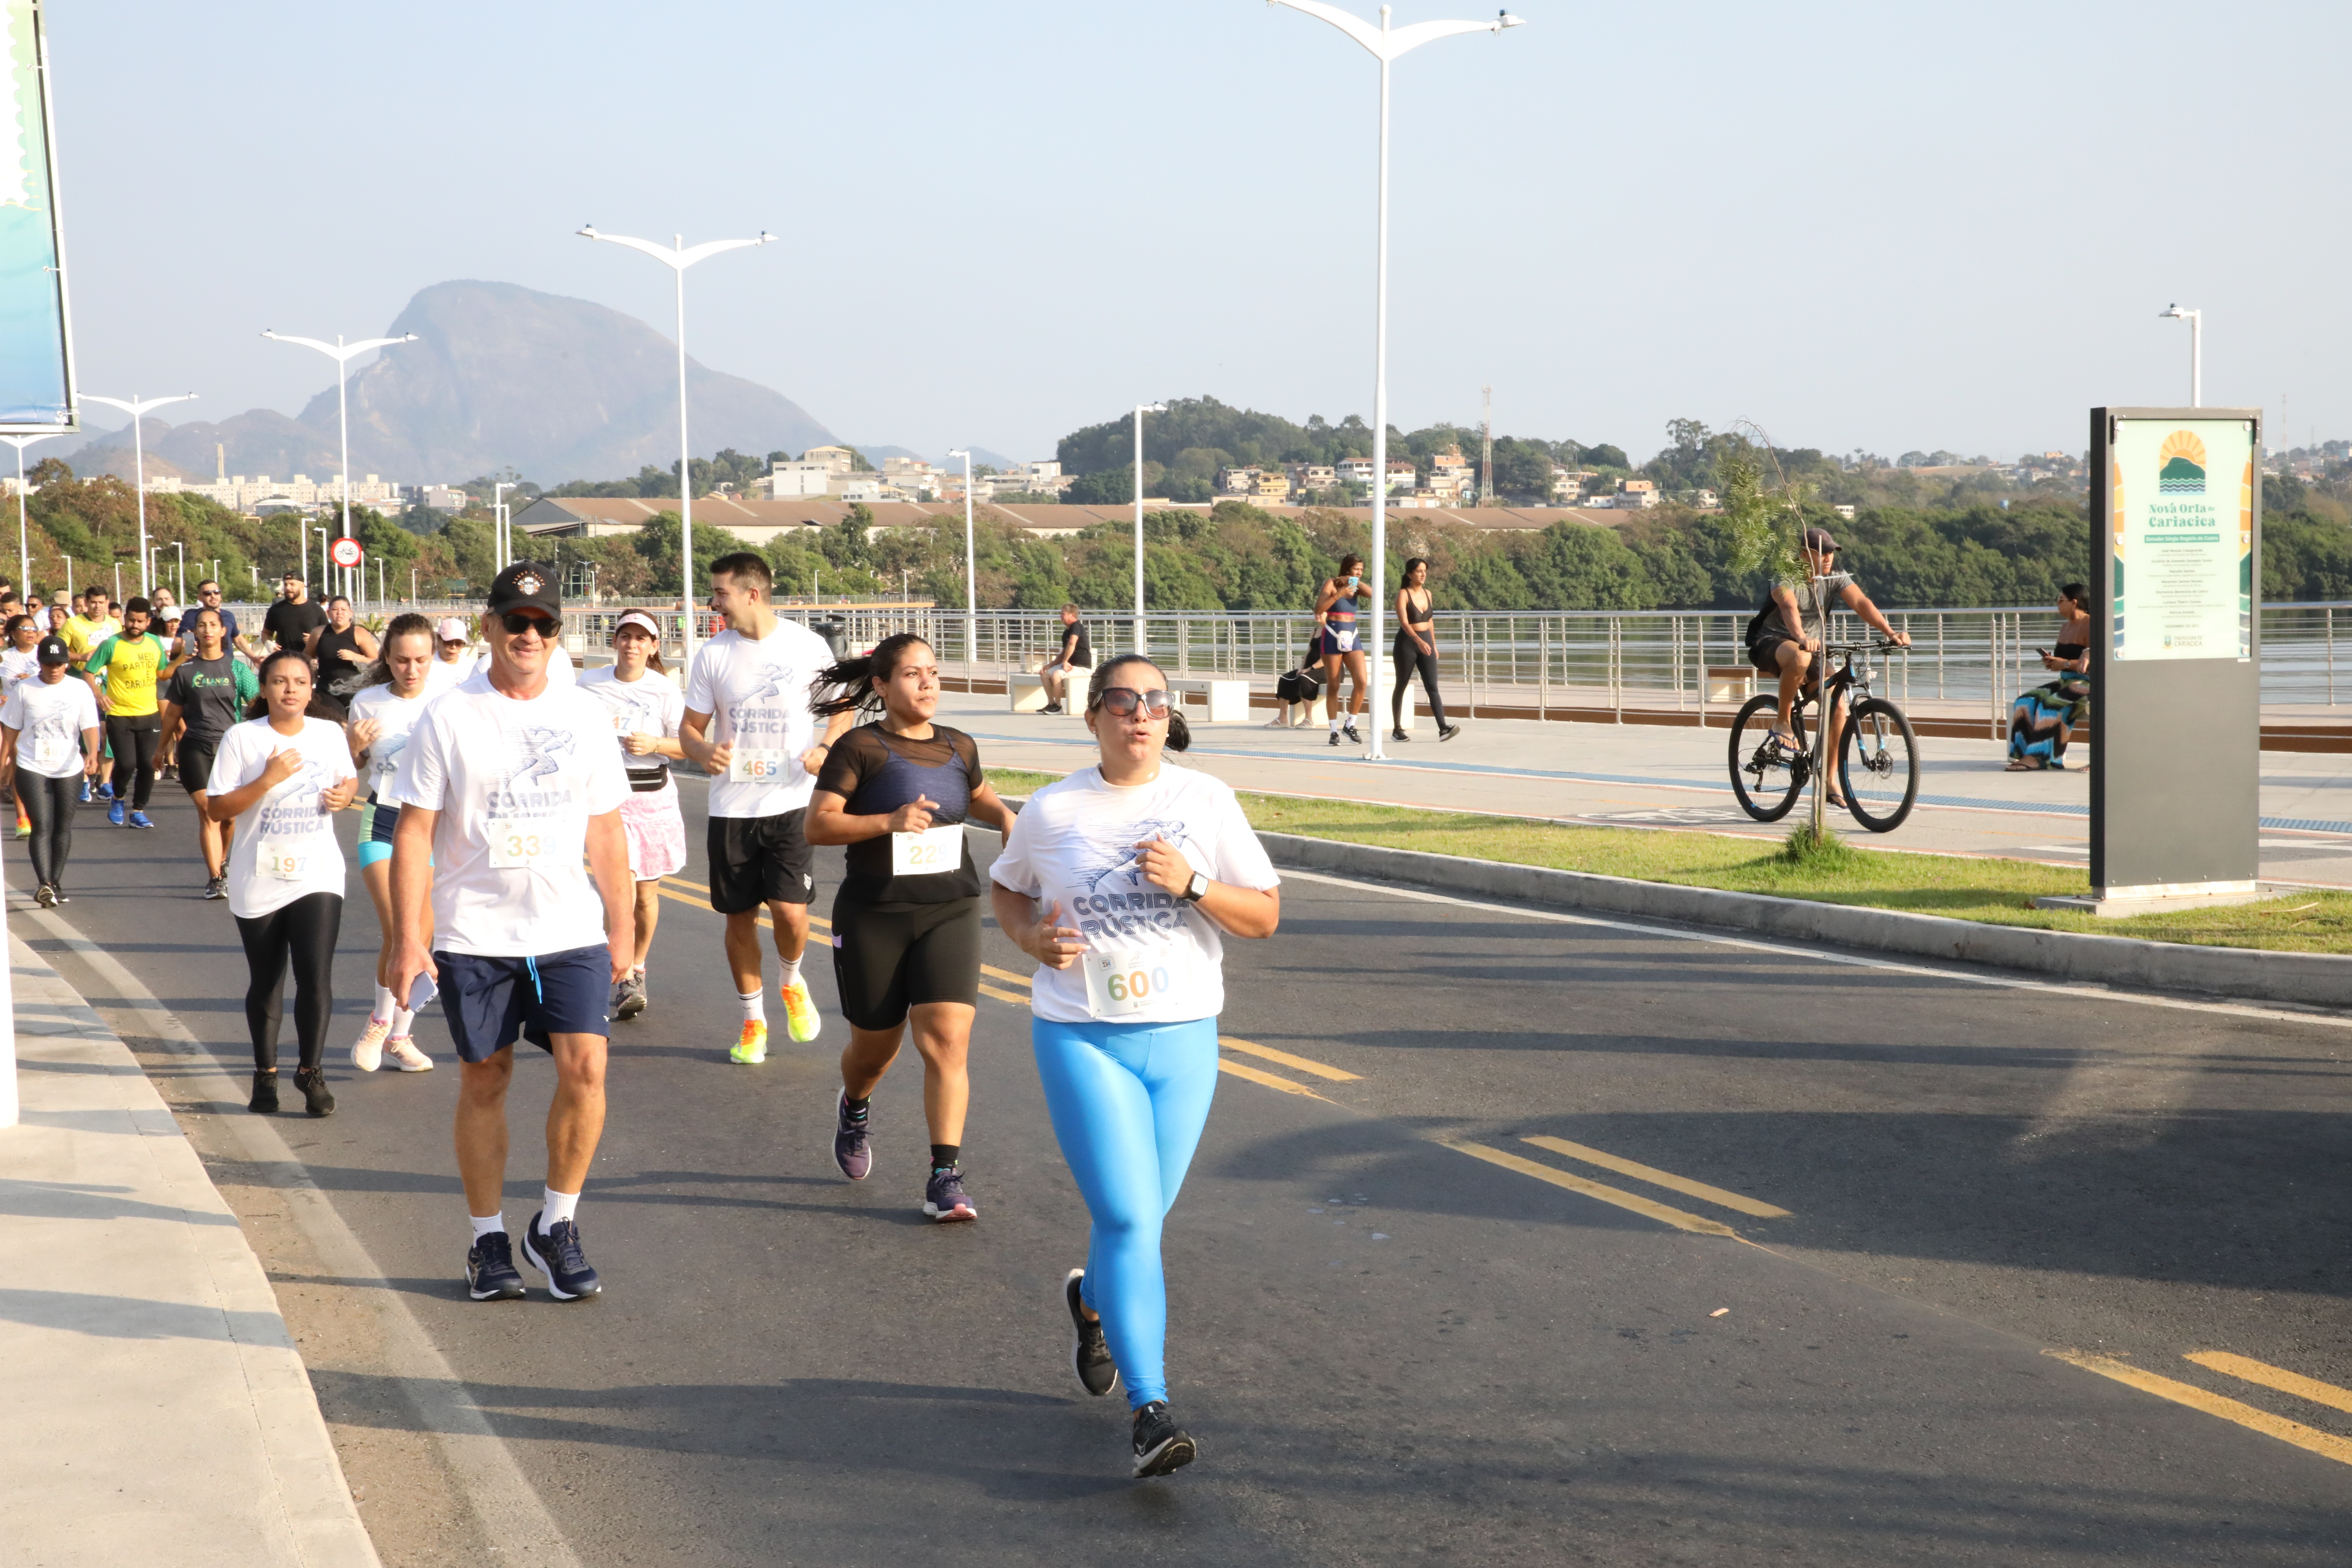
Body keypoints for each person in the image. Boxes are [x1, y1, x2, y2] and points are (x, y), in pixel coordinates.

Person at [988, 653, 1282, 1479]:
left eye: (1156, 702)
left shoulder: (1206, 800)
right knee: (1129, 1221)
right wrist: (1028, 939)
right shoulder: (1052, 810)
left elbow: (1262, 917)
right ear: (1095, 718)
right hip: (1084, 1035)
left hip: (1185, 1037)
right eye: (1123, 702)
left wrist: (1192, 886)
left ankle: (1092, 1304)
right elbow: (1007, 887)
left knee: (1142, 1222)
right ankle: (1150, 1411)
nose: (1142, 716)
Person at [385, 562, 634, 1303]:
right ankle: (487, 1239)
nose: (529, 634)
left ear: (559, 635)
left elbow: (610, 830)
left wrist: (623, 932)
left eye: (544, 624)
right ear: (489, 625)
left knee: (586, 1067)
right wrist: (407, 936)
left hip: (569, 927)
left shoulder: (585, 714)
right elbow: (414, 832)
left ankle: (556, 1225)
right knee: (485, 1077)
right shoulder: (449, 716)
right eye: (515, 621)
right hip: (475, 932)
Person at [806, 633, 1015, 1222]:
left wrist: (1005, 817)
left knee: (948, 1038)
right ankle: (855, 1105)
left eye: (933, 673)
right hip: (875, 915)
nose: (928, 684)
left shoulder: (959, 745)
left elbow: (976, 797)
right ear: (881, 685)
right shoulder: (860, 748)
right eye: (912, 675)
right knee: (875, 1051)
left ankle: (944, 1175)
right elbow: (818, 826)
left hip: (949, 907)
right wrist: (888, 821)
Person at [680, 552, 853, 1064]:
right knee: (738, 920)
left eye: (721, 594)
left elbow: (842, 708)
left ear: (752, 594)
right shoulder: (713, 654)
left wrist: (826, 747)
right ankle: (753, 1020)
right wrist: (703, 751)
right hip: (732, 808)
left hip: (792, 802)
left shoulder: (809, 647)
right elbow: (690, 730)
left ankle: (792, 980)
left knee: (791, 913)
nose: (714, 603)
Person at [198, 648, 360, 1117]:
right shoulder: (242, 739)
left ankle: (311, 1072)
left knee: (315, 975)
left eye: (300, 681)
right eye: (279, 681)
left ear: (312, 690)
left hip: (317, 871)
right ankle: (265, 1075)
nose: (290, 689)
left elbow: (348, 780)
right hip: (259, 873)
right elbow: (218, 809)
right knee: (267, 981)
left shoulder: (329, 733)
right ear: (263, 688)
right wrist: (268, 779)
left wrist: (342, 795)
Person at [1743, 526, 1911, 811]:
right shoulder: (1786, 575)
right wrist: (1800, 637)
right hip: (1772, 642)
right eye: (1823, 552)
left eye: (1832, 551)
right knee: (1799, 658)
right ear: (1804, 555)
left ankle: (1830, 779)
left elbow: (1861, 603)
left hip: (1811, 646)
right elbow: (1789, 608)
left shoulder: (1834, 578)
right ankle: (1783, 720)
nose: (1829, 557)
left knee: (1838, 705)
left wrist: (1891, 632)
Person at [578, 610, 688, 1021]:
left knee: (646, 895)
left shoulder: (665, 691)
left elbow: (689, 745)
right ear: (615, 641)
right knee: (618, 889)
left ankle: (637, 965)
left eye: (642, 638)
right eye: (626, 636)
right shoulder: (589, 684)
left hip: (653, 796)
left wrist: (655, 742)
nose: (633, 644)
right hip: (609, 797)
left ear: (654, 646)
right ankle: (619, 972)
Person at [342, 612, 440, 1072]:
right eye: (402, 660)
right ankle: (380, 1023)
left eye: (422, 660)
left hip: (437, 828)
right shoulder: (367, 702)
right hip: (383, 820)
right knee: (398, 931)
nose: (412, 669)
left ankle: (401, 1037)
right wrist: (354, 747)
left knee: (422, 937)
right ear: (387, 658)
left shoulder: (451, 701)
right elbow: (353, 770)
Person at [159, 606, 259, 898]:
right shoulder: (186, 672)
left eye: (213, 625)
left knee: (228, 817)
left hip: (231, 750)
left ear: (223, 631)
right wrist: (159, 750)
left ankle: (223, 860)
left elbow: (256, 707)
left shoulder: (237, 669)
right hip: (195, 747)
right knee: (208, 812)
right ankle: (215, 878)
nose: (207, 630)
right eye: (201, 626)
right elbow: (172, 715)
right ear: (196, 633)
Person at [0, 634, 102, 907]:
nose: (54, 669)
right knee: (42, 825)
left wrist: (93, 753)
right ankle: (44, 883)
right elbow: (10, 732)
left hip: (69, 767)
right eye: (48, 664)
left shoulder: (79, 689)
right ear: (40, 664)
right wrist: (3, 766)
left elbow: (90, 725)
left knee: (62, 827)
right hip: (32, 766)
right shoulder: (25, 690)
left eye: (59, 664)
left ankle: (55, 881)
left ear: (67, 664)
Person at [83, 595, 170, 829]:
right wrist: (98, 695)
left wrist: (182, 659)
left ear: (148, 621)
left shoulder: (155, 643)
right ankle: (118, 798)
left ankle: (139, 811)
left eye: (140, 622)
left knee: (147, 765)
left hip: (149, 714)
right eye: (131, 620)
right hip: (119, 714)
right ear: (124, 618)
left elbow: (162, 675)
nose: (135, 625)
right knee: (127, 764)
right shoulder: (111, 644)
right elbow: (89, 672)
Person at [2008, 582, 2093, 771]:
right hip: (2066, 680)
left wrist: (2064, 663)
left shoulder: (2091, 624)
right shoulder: (2065, 628)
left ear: (2074, 603)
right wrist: (2053, 662)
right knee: (2026, 701)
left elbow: (2095, 659)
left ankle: (2042, 758)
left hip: (2087, 682)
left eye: (2061, 600)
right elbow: (2065, 659)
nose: (2057, 603)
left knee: (2052, 704)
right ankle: (2026, 754)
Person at [1389, 557, 1458, 744]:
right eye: (1419, 571)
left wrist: (1434, 645)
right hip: (1408, 643)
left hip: (1426, 642)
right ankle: (1397, 729)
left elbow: (1430, 622)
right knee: (1401, 684)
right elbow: (1404, 623)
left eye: (1425, 571)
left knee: (1432, 686)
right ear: (1410, 574)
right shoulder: (1403, 594)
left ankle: (1443, 728)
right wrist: (1418, 641)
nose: (1423, 574)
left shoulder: (1428, 593)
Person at [1313, 554, 1371, 747]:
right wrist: (1340, 592)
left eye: (1362, 570)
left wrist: (1357, 584)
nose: (1359, 573)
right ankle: (1333, 731)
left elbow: (1375, 594)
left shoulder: (1357, 587)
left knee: (1362, 681)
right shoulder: (1331, 584)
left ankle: (1350, 725)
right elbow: (1320, 608)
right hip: (1332, 633)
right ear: (1347, 568)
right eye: (1356, 569)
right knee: (1334, 685)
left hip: (1352, 634)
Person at [305, 594, 378, 719]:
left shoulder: (359, 633)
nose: (340, 613)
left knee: (351, 722)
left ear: (351, 613)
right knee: (334, 720)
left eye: (344, 610)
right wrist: (311, 663)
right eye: (335, 610)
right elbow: (306, 656)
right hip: (326, 688)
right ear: (328, 613)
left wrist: (357, 657)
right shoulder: (318, 633)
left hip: (353, 688)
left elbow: (376, 662)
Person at [3, 612, 41, 837]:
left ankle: (40, 811)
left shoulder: (43, 653)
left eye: (33, 628)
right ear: (13, 634)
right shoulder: (4, 657)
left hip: (42, 716)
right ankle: (22, 817)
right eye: (25, 629)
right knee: (20, 765)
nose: (30, 633)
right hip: (14, 718)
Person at [1039, 603, 1092, 715]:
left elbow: (1072, 643)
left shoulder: (1076, 627)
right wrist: (1050, 665)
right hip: (1069, 665)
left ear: (1072, 615)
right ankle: (1052, 704)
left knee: (1057, 675)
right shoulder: (1066, 632)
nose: (1061, 616)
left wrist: (1065, 662)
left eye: (1063, 614)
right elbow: (1063, 653)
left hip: (1082, 667)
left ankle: (1058, 707)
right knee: (1045, 674)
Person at [259, 573, 326, 658]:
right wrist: (268, 644)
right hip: (283, 661)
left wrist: (315, 640)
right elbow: (266, 633)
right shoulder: (276, 610)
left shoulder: (317, 610)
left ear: (302, 587)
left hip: (308, 662)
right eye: (286, 585)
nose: (288, 588)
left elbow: (328, 636)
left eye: (292, 585)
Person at [427, 617, 474, 696]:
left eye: (459, 644)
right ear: (438, 639)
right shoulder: (426, 664)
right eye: (449, 643)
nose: (454, 647)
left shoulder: (472, 666)